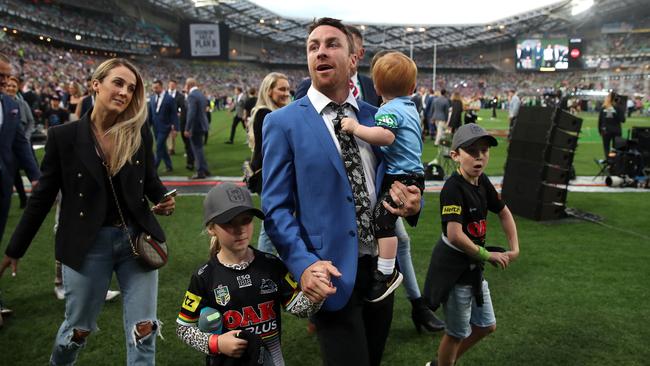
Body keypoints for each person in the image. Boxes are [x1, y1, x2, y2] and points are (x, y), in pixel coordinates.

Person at [262, 18, 423, 366]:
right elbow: (274, 209)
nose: (321, 51)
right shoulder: (282, 123)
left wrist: (412, 202)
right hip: (329, 272)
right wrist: (304, 265)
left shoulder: (377, 118)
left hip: (381, 270)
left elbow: (400, 176)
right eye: (313, 46)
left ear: (353, 59)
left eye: (332, 44)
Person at [0, 58, 176, 365]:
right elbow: (42, 197)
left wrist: (162, 198)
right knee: (78, 330)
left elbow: (150, 181)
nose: (124, 92)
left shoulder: (138, 132)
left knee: (144, 329)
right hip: (86, 245)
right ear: (96, 84)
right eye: (118, 83)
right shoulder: (63, 136)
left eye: (131, 88)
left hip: (137, 241)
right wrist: (15, 248)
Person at [176, 183, 321, 366]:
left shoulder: (272, 265)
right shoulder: (204, 276)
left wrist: (317, 294)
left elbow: (299, 309)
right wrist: (216, 343)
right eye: (229, 222)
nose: (241, 229)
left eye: (246, 220)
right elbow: (184, 328)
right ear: (211, 228)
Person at [424, 123, 519, 366]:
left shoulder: (482, 181)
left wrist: (514, 247)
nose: (479, 157)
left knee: (486, 326)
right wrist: (488, 255)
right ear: (455, 155)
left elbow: (504, 213)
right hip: (455, 270)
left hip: (473, 267)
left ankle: (443, 363)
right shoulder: (453, 188)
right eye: (471, 151)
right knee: (456, 333)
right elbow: (455, 235)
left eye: (484, 151)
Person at [339, 51, 423, 303]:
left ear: (376, 86)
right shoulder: (410, 107)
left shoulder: (389, 110)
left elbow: (386, 136)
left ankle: (385, 272)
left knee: (382, 221)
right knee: (384, 221)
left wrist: (356, 128)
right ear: (412, 86)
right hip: (410, 175)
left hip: (401, 177)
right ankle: (385, 270)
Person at [246, 72, 291, 254]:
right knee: (270, 223)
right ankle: (264, 264)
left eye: (288, 89)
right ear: (269, 91)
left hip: (270, 174)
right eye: (281, 89)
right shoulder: (265, 113)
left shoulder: (270, 112)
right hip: (271, 175)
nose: (286, 93)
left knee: (274, 221)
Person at [0, 53, 41, 250]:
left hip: (4, 181)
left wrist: (35, 176)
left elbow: (20, 143)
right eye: (1, 74)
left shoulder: (10, 105)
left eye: (7, 76)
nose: (5, 80)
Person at [5, 75, 36, 209]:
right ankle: (23, 199)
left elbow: (30, 121)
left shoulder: (22, 103)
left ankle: (40, 197)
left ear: (18, 88)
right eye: (9, 86)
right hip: (8, 145)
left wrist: (27, 137)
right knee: (14, 173)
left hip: (23, 143)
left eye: (14, 86)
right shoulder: (3, 103)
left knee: (32, 169)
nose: (11, 88)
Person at [148, 79, 179, 172]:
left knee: (158, 147)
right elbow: (151, 113)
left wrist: (175, 128)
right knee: (162, 148)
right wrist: (148, 125)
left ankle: (153, 168)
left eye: (156, 88)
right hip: (155, 127)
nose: (154, 89)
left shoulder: (169, 98)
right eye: (153, 88)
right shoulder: (152, 98)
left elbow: (174, 114)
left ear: (161, 87)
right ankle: (169, 166)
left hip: (165, 127)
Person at [184, 77, 211, 179]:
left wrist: (187, 128)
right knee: (199, 148)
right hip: (202, 124)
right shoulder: (200, 94)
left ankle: (200, 171)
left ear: (188, 85)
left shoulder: (192, 96)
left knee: (197, 149)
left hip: (195, 126)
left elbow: (191, 113)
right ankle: (204, 169)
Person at [598, 92, 626, 159]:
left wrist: (600, 130)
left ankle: (608, 161)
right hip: (616, 130)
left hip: (606, 130)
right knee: (615, 148)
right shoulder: (618, 108)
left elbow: (600, 120)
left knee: (606, 147)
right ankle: (613, 162)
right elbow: (623, 120)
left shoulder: (604, 107)